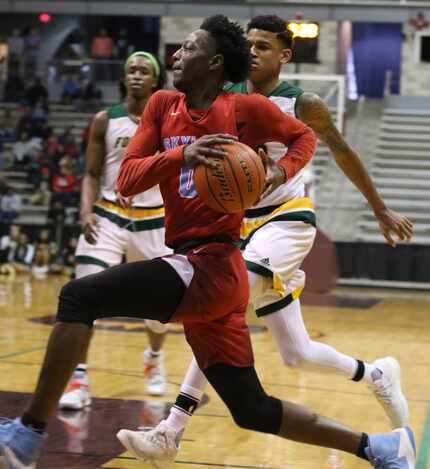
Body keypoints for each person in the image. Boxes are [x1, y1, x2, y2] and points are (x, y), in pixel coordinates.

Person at [0, 16, 415, 469]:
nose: (175, 56)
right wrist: (182, 154)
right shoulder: (162, 105)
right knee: (252, 409)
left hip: (214, 262)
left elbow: (306, 137)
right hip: (205, 267)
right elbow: (128, 179)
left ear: (214, 62)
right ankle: (379, 447)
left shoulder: (244, 108)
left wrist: (278, 171)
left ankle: (29, 434)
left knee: (78, 296)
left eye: (188, 48)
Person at [137, 15, 415, 467]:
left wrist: (379, 208)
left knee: (220, 305)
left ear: (285, 55)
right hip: (239, 228)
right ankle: (376, 373)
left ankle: (172, 428)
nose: (255, 53)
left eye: (264, 47)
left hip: (288, 221)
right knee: (297, 353)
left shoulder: (300, 103)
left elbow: (342, 149)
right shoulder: (225, 100)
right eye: (249, 45)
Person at [58, 51, 171, 410]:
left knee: (162, 308)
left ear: (155, 80)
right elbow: (90, 174)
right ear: (123, 78)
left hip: (154, 220)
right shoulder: (105, 120)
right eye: (131, 70)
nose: (137, 75)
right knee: (84, 292)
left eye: (144, 71)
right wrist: (85, 211)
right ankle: (78, 377)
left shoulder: (170, 121)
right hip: (107, 216)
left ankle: (153, 359)